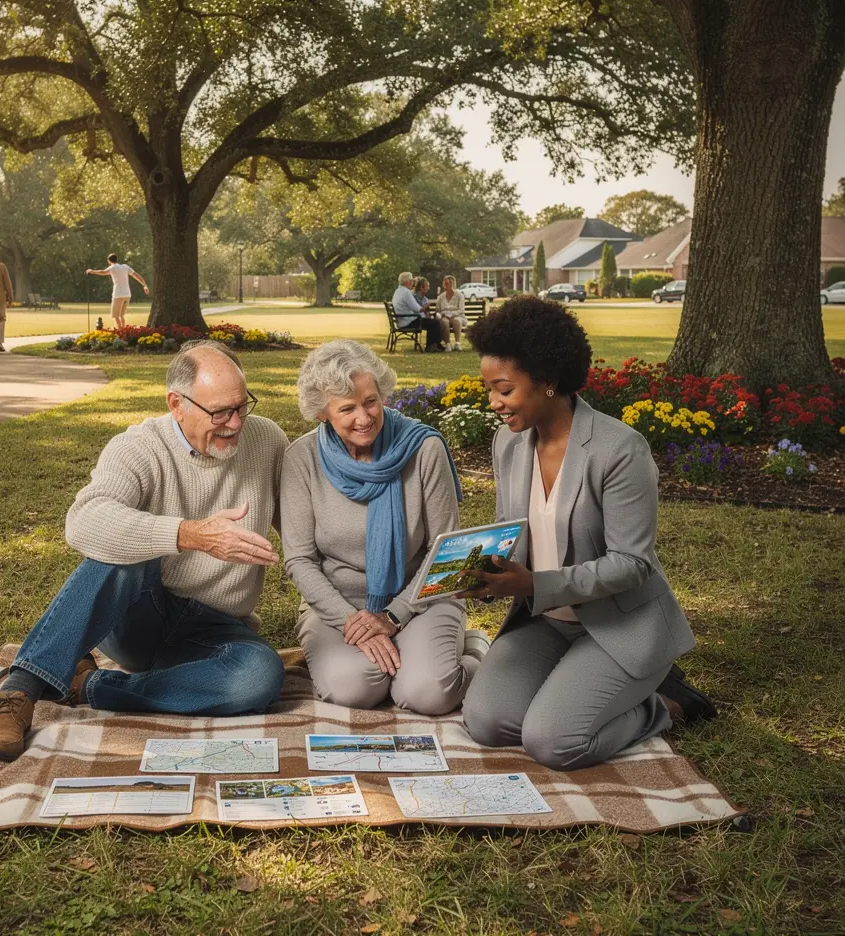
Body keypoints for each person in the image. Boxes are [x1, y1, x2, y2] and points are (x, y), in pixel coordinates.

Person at [0, 340, 289, 763]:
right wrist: (189, 535)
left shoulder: (267, 439)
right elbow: (84, 521)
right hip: (138, 617)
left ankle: (90, 687)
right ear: (177, 404)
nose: (235, 423)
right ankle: (19, 688)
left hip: (216, 627)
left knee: (260, 677)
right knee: (120, 555)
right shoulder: (139, 446)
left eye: (241, 406)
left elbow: (303, 527)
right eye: (220, 413)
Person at [460, 297, 716, 770]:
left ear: (549, 380)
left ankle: (666, 704)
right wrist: (483, 576)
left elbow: (632, 564)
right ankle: (580, 695)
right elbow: (510, 530)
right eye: (489, 389)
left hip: (619, 624)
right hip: (544, 621)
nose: (492, 402)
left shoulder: (619, 449)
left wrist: (534, 584)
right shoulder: (509, 441)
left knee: (553, 743)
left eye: (503, 389)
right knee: (487, 722)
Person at [281, 340, 488, 715]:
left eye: (371, 401)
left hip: (422, 597)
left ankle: (474, 652)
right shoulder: (302, 459)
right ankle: (404, 656)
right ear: (321, 414)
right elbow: (299, 559)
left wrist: (394, 616)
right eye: (347, 408)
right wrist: (352, 621)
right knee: (353, 689)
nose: (364, 417)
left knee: (428, 693)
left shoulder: (424, 449)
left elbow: (448, 552)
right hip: (338, 603)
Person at [86, 254, 150, 329]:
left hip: (118, 295)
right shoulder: (125, 267)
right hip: (127, 295)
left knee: (115, 316)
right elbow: (137, 275)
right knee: (121, 315)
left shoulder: (112, 267)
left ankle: (120, 332)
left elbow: (103, 272)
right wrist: (144, 285)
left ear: (109, 261)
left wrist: (92, 271)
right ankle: (124, 332)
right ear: (116, 259)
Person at [391, 271, 443, 352]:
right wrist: (426, 308)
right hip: (408, 322)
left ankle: (435, 344)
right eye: (412, 281)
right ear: (408, 281)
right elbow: (416, 308)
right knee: (435, 323)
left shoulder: (398, 291)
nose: (413, 283)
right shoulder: (406, 292)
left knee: (431, 322)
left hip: (403, 321)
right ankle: (431, 346)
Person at [436, 275, 467, 352]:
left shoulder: (459, 295)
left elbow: (461, 310)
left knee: (457, 320)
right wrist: (444, 314)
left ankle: (457, 344)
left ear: (452, 284)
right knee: (444, 321)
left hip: (458, 316)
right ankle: (448, 345)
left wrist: (452, 313)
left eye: (447, 283)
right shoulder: (441, 297)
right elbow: (438, 310)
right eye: (444, 283)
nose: (445, 285)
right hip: (445, 317)